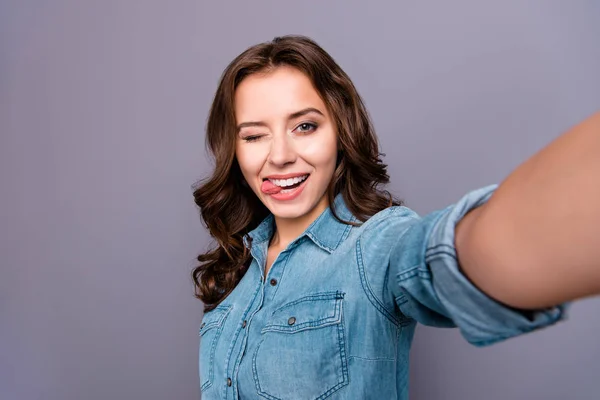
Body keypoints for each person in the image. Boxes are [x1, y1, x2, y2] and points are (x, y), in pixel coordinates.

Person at [191, 35, 600, 399]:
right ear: (235, 150)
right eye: (254, 135)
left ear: (341, 131)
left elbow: (449, 255)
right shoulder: (237, 267)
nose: (279, 155)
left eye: (305, 126)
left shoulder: (377, 243)